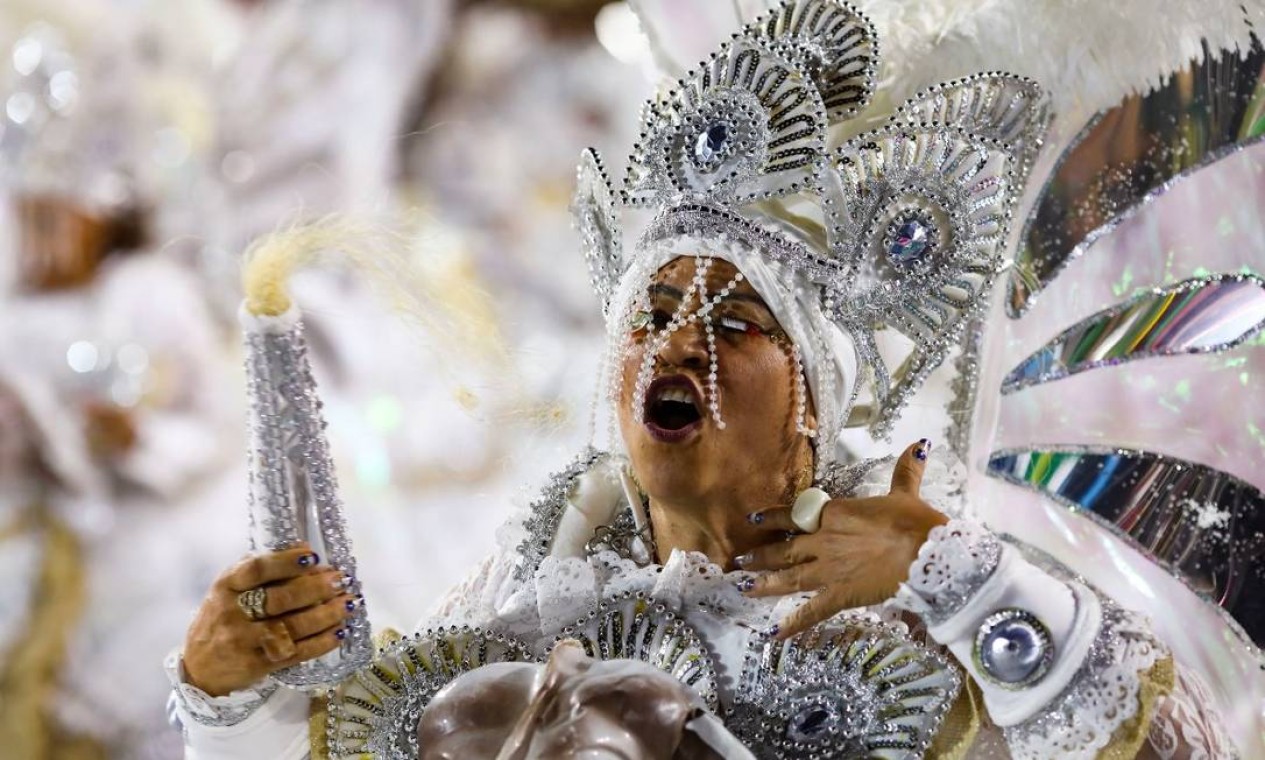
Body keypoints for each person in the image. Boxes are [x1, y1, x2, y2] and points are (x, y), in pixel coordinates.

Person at [168, 1, 1245, 757]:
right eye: (647, 313)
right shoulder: (536, 584)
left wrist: (959, 582)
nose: (674, 343)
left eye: (734, 321)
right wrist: (230, 691)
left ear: (813, 404)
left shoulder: (919, 618)